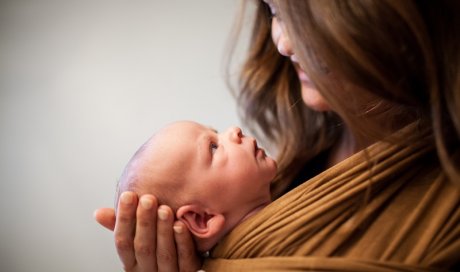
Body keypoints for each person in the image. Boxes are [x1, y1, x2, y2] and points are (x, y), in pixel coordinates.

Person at [94, 0, 460, 271]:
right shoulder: (294, 158)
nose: (282, 43)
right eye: (273, 11)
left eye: (300, 16)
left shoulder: (444, 206)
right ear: (202, 219)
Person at [115, 120, 276, 253]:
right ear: (202, 218)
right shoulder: (270, 252)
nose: (235, 130)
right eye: (214, 147)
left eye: (217, 132)